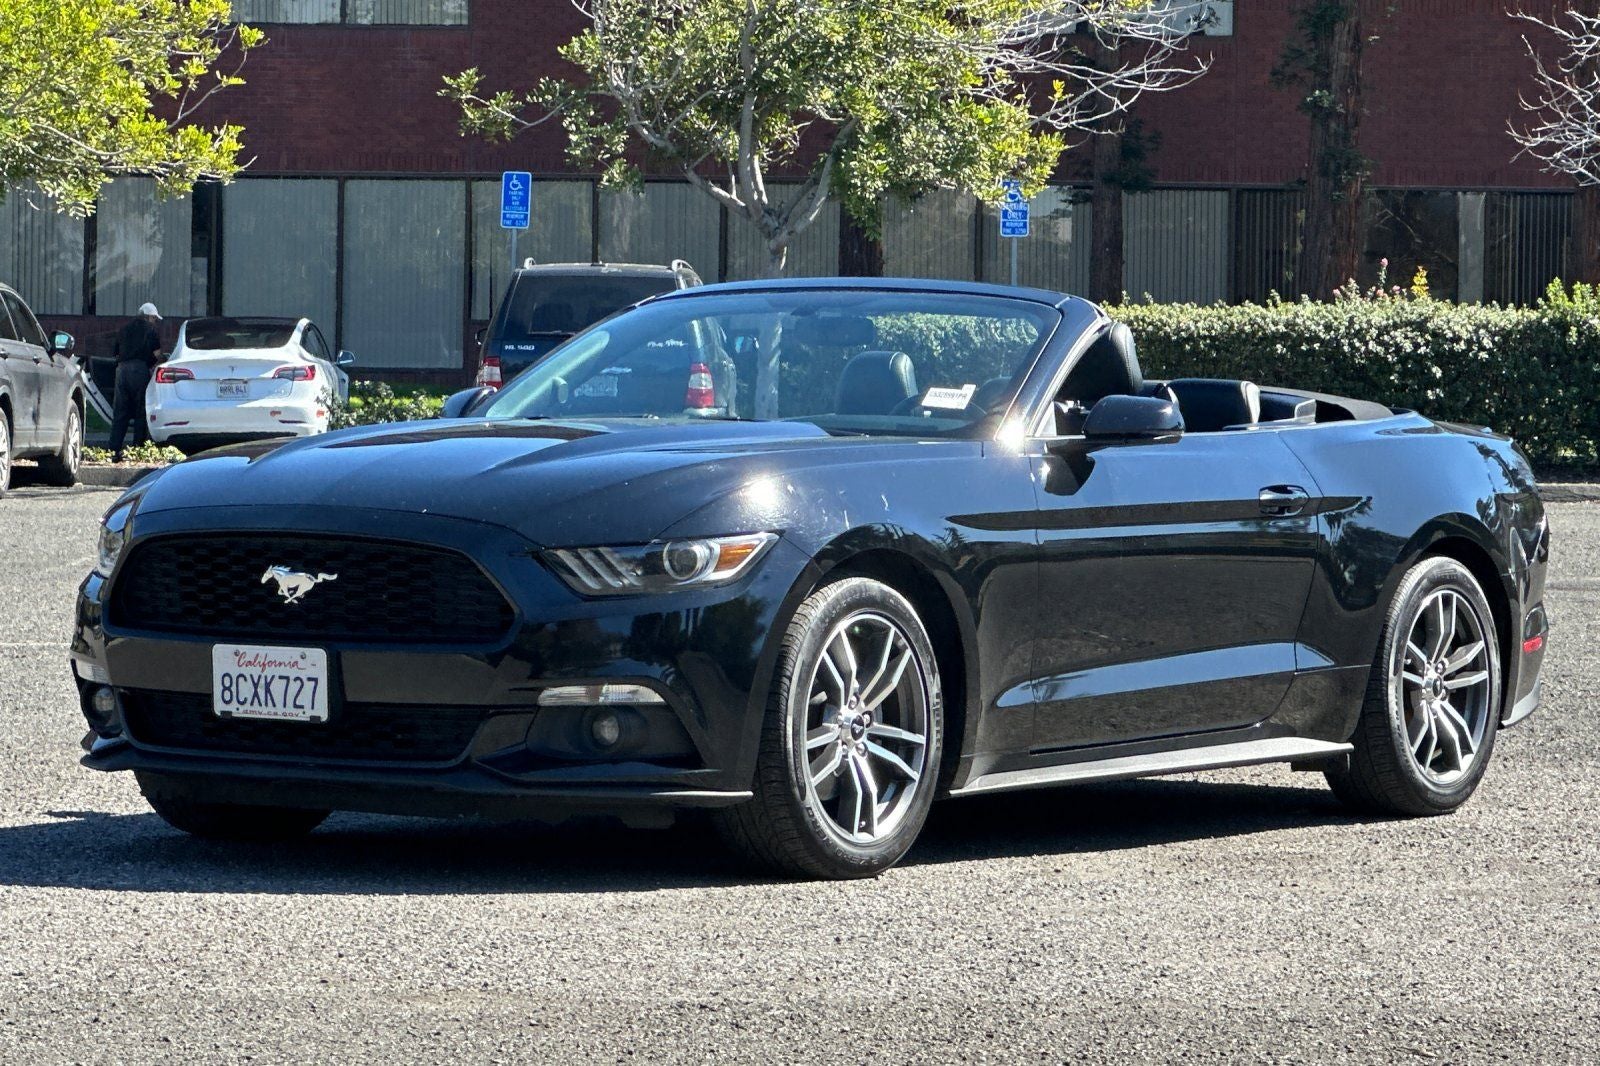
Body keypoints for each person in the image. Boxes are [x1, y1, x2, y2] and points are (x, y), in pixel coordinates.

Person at [110, 302, 162, 462]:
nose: (155, 321)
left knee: (120, 412)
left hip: (122, 370)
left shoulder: (124, 328)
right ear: (149, 316)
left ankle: (113, 450)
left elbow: (116, 352)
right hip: (139, 370)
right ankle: (137, 449)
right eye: (154, 318)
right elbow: (157, 353)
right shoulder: (150, 330)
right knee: (141, 411)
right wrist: (155, 362)